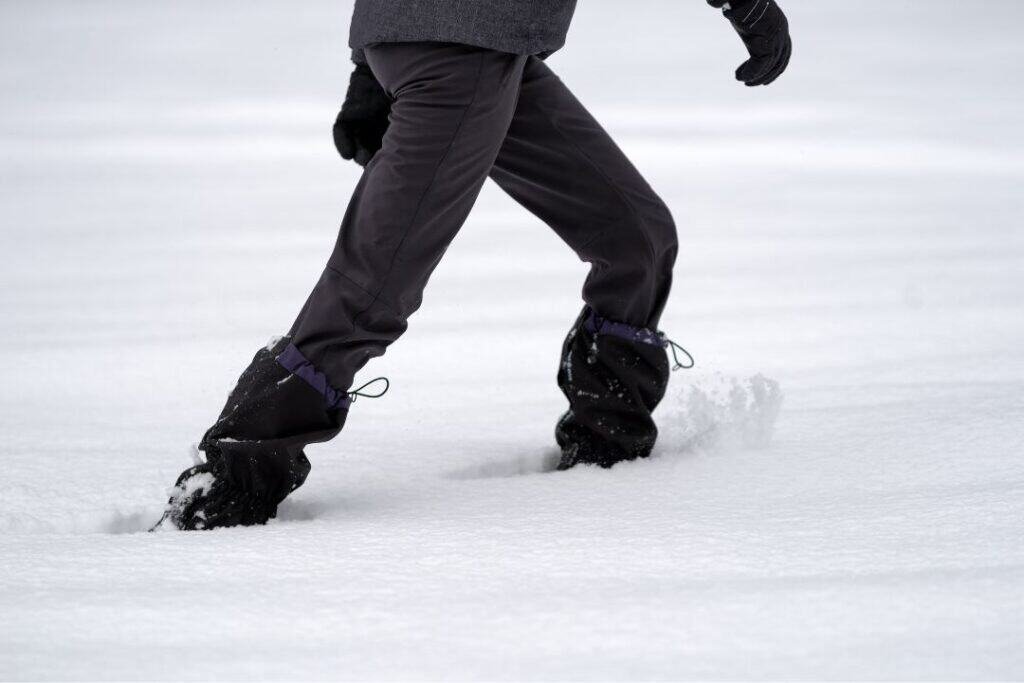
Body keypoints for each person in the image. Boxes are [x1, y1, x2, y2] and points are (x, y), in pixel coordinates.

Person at [153, 0, 792, 531]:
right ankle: (231, 479)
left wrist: (368, 66)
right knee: (375, 288)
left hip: (479, 42)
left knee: (636, 237)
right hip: (461, 47)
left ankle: (609, 445)